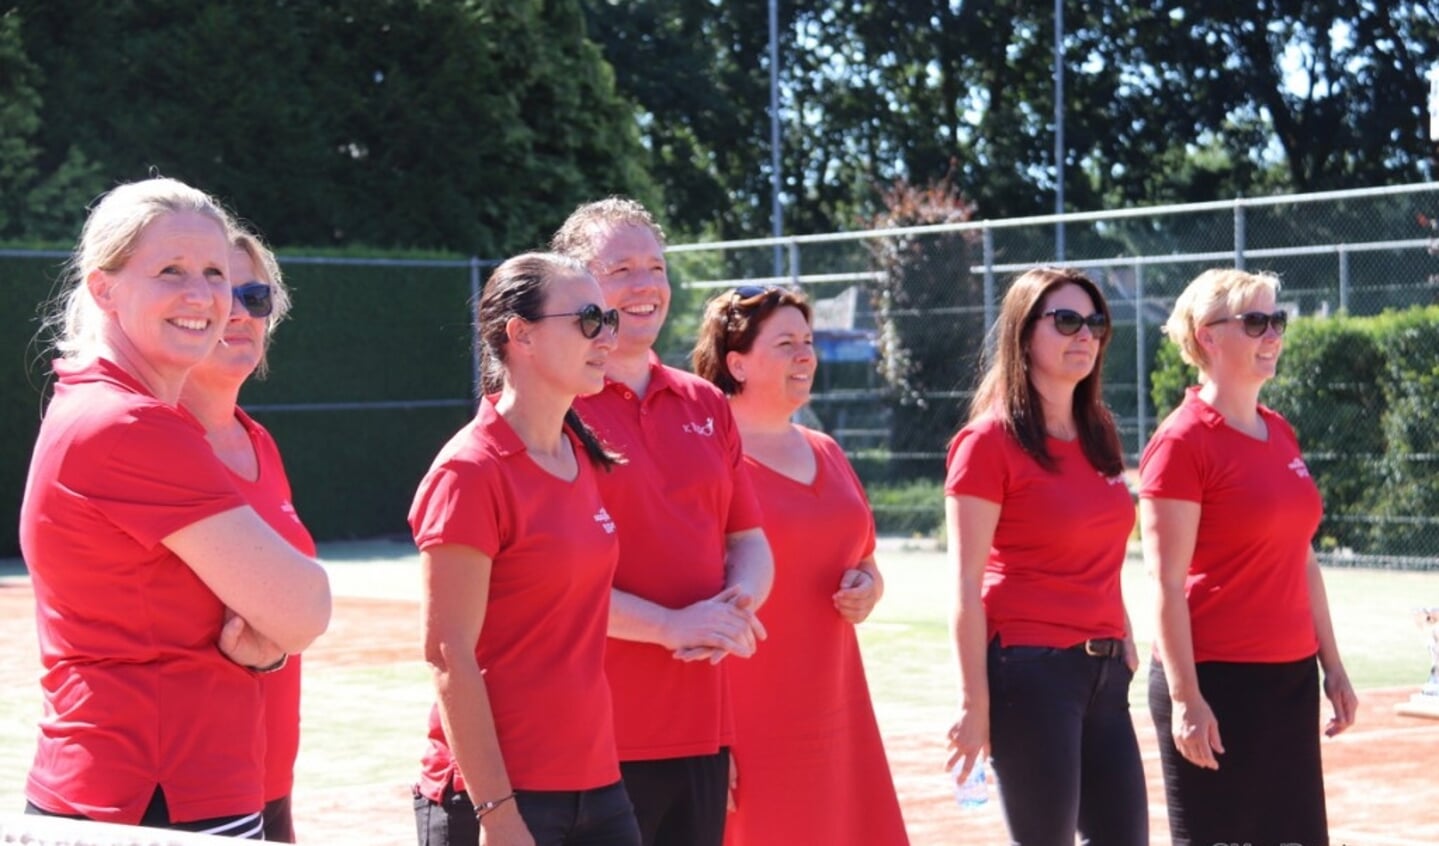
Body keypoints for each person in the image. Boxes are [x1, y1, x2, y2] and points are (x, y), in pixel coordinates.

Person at [19, 177, 331, 838]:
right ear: (104, 288)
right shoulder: (130, 426)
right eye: (170, 272)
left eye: (216, 273)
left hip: (154, 791)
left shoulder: (109, 407)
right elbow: (305, 610)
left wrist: (269, 638)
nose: (203, 296)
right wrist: (273, 631)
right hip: (154, 799)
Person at [552, 198, 773, 846]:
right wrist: (671, 626)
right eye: (621, 268)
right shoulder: (552, 407)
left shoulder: (704, 401)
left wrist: (732, 610)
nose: (646, 285)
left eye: (656, 266)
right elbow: (548, 582)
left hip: (700, 728)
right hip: (585, 737)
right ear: (578, 285)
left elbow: (749, 542)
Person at [409, 252, 641, 846]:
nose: (607, 336)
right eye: (589, 318)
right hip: (499, 798)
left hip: (597, 783)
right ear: (522, 335)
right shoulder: (469, 471)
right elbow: (447, 656)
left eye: (610, 319)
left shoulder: (579, 455)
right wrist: (499, 815)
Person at [1139, 267, 1358, 846]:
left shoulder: (1279, 431)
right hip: (1215, 682)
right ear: (1207, 337)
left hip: (1288, 681)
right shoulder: (1181, 442)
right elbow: (1164, 582)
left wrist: (1331, 665)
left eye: (1277, 320)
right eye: (1256, 321)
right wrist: (1187, 699)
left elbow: (1302, 559)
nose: (1273, 335)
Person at [691, 286, 909, 846]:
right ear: (736, 362)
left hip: (836, 710)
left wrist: (869, 586)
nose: (805, 355)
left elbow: (862, 559)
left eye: (807, 342)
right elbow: (684, 595)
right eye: (785, 343)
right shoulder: (705, 458)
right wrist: (710, 736)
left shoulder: (826, 450)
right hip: (747, 720)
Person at [943, 267, 1147, 846]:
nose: (1085, 334)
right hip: (1030, 673)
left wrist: (1124, 634)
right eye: (1066, 320)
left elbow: (1103, 547)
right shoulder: (986, 443)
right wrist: (973, 704)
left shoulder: (1099, 430)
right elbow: (964, 583)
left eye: (1095, 322)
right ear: (1024, 334)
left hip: (1105, 674)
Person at [179, 228, 311, 843]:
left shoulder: (258, 440)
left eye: (254, 297)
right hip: (184, 794)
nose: (237, 312)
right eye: (217, 292)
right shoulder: (151, 440)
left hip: (266, 781)